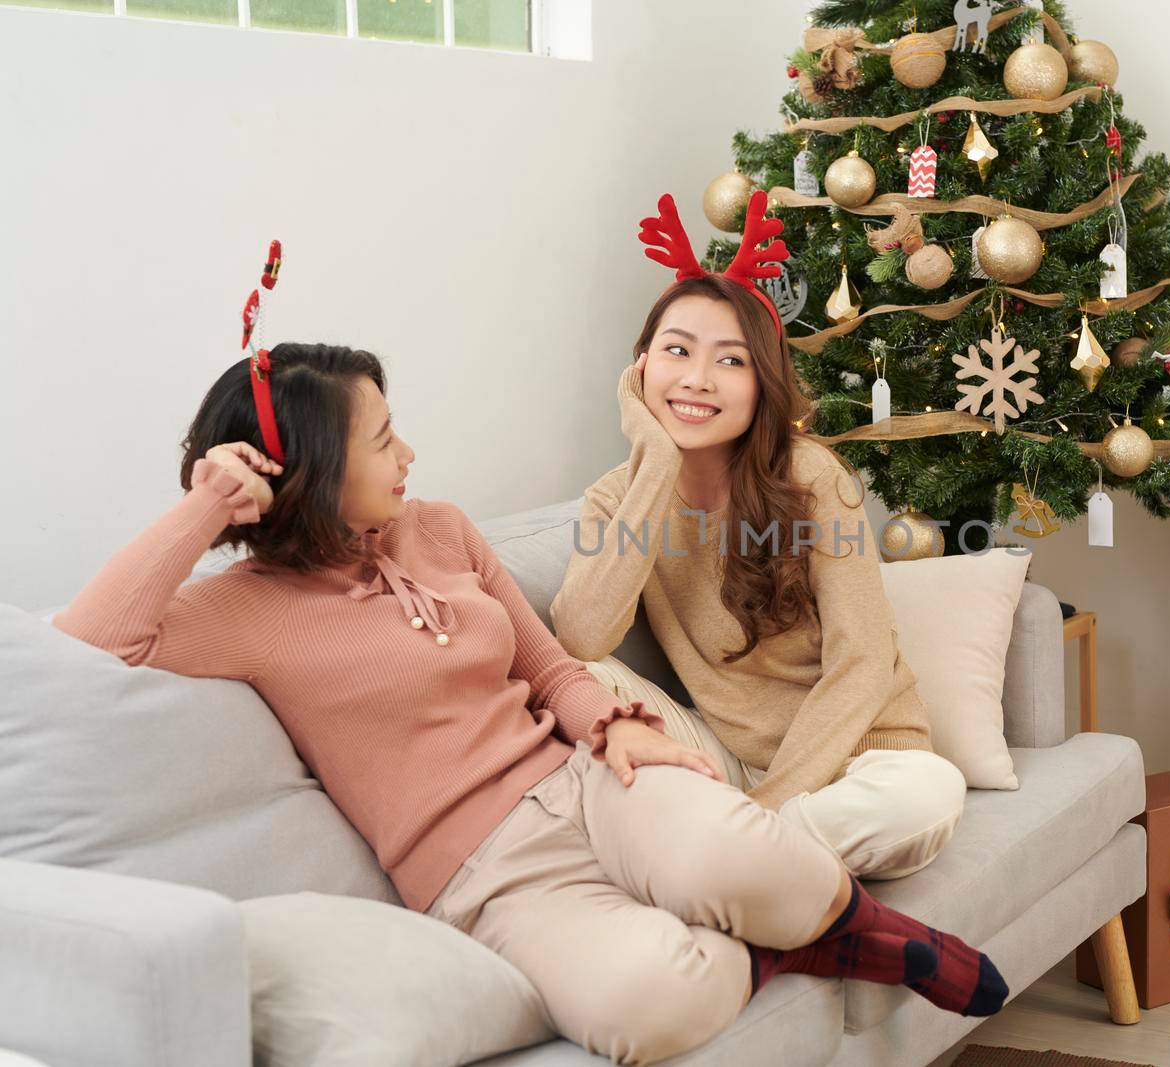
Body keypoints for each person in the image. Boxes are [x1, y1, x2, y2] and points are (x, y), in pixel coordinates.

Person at [52, 255, 1006, 1066]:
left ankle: (846, 926)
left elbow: (556, 664)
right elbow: (92, 641)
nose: (410, 453)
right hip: (482, 873)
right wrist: (207, 504)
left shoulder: (439, 530)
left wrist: (606, 727)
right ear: (311, 471)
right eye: (384, 440)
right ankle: (797, 949)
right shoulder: (243, 610)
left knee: (764, 861)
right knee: (651, 1004)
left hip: (589, 776)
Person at [553, 192, 967, 881]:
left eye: (731, 361)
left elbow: (862, 662)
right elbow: (581, 637)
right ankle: (749, 862)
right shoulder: (616, 496)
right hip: (726, 756)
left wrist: (765, 809)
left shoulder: (810, 478)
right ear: (640, 368)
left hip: (857, 759)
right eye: (676, 352)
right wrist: (655, 461)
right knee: (578, 677)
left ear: (762, 382)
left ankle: (729, 856)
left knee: (927, 799)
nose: (696, 379)